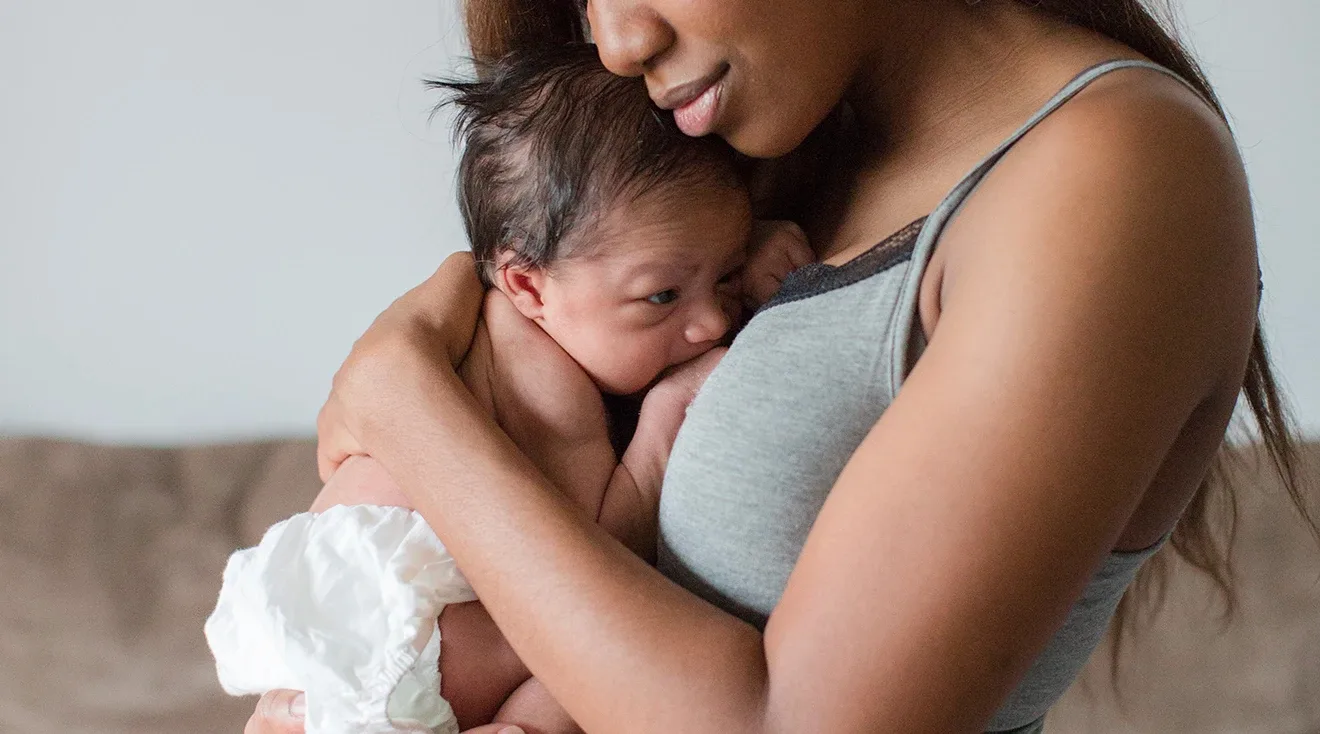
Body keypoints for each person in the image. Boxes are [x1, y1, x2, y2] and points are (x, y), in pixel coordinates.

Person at [248, 0, 1317, 732]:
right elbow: (369, 425)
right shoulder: (770, 155)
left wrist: (408, 393)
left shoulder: (1109, 171)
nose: (616, 37)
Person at [209, 46, 812, 734]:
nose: (710, 322)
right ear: (528, 286)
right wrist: (666, 425)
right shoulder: (543, 382)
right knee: (574, 661)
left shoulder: (519, 312)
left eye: (726, 278)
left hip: (343, 639)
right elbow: (586, 567)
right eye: (664, 295)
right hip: (401, 640)